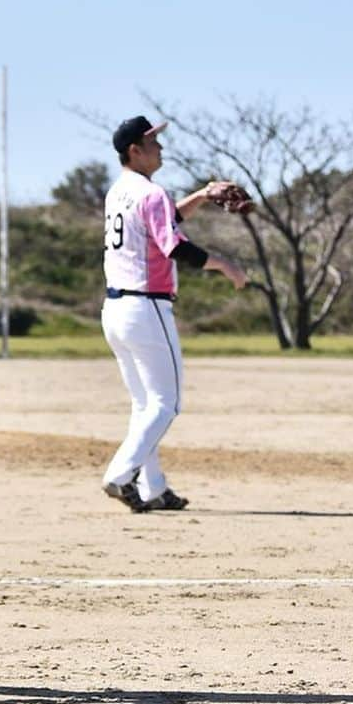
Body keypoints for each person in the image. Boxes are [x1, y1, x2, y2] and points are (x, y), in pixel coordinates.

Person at [101, 115, 247, 513]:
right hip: (147, 307)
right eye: (153, 143)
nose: (160, 149)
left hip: (115, 311)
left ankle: (153, 489)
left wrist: (201, 194)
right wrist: (226, 265)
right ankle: (119, 474)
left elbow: (163, 220)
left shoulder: (119, 192)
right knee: (167, 405)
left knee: (145, 406)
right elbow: (175, 245)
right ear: (135, 150)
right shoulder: (152, 193)